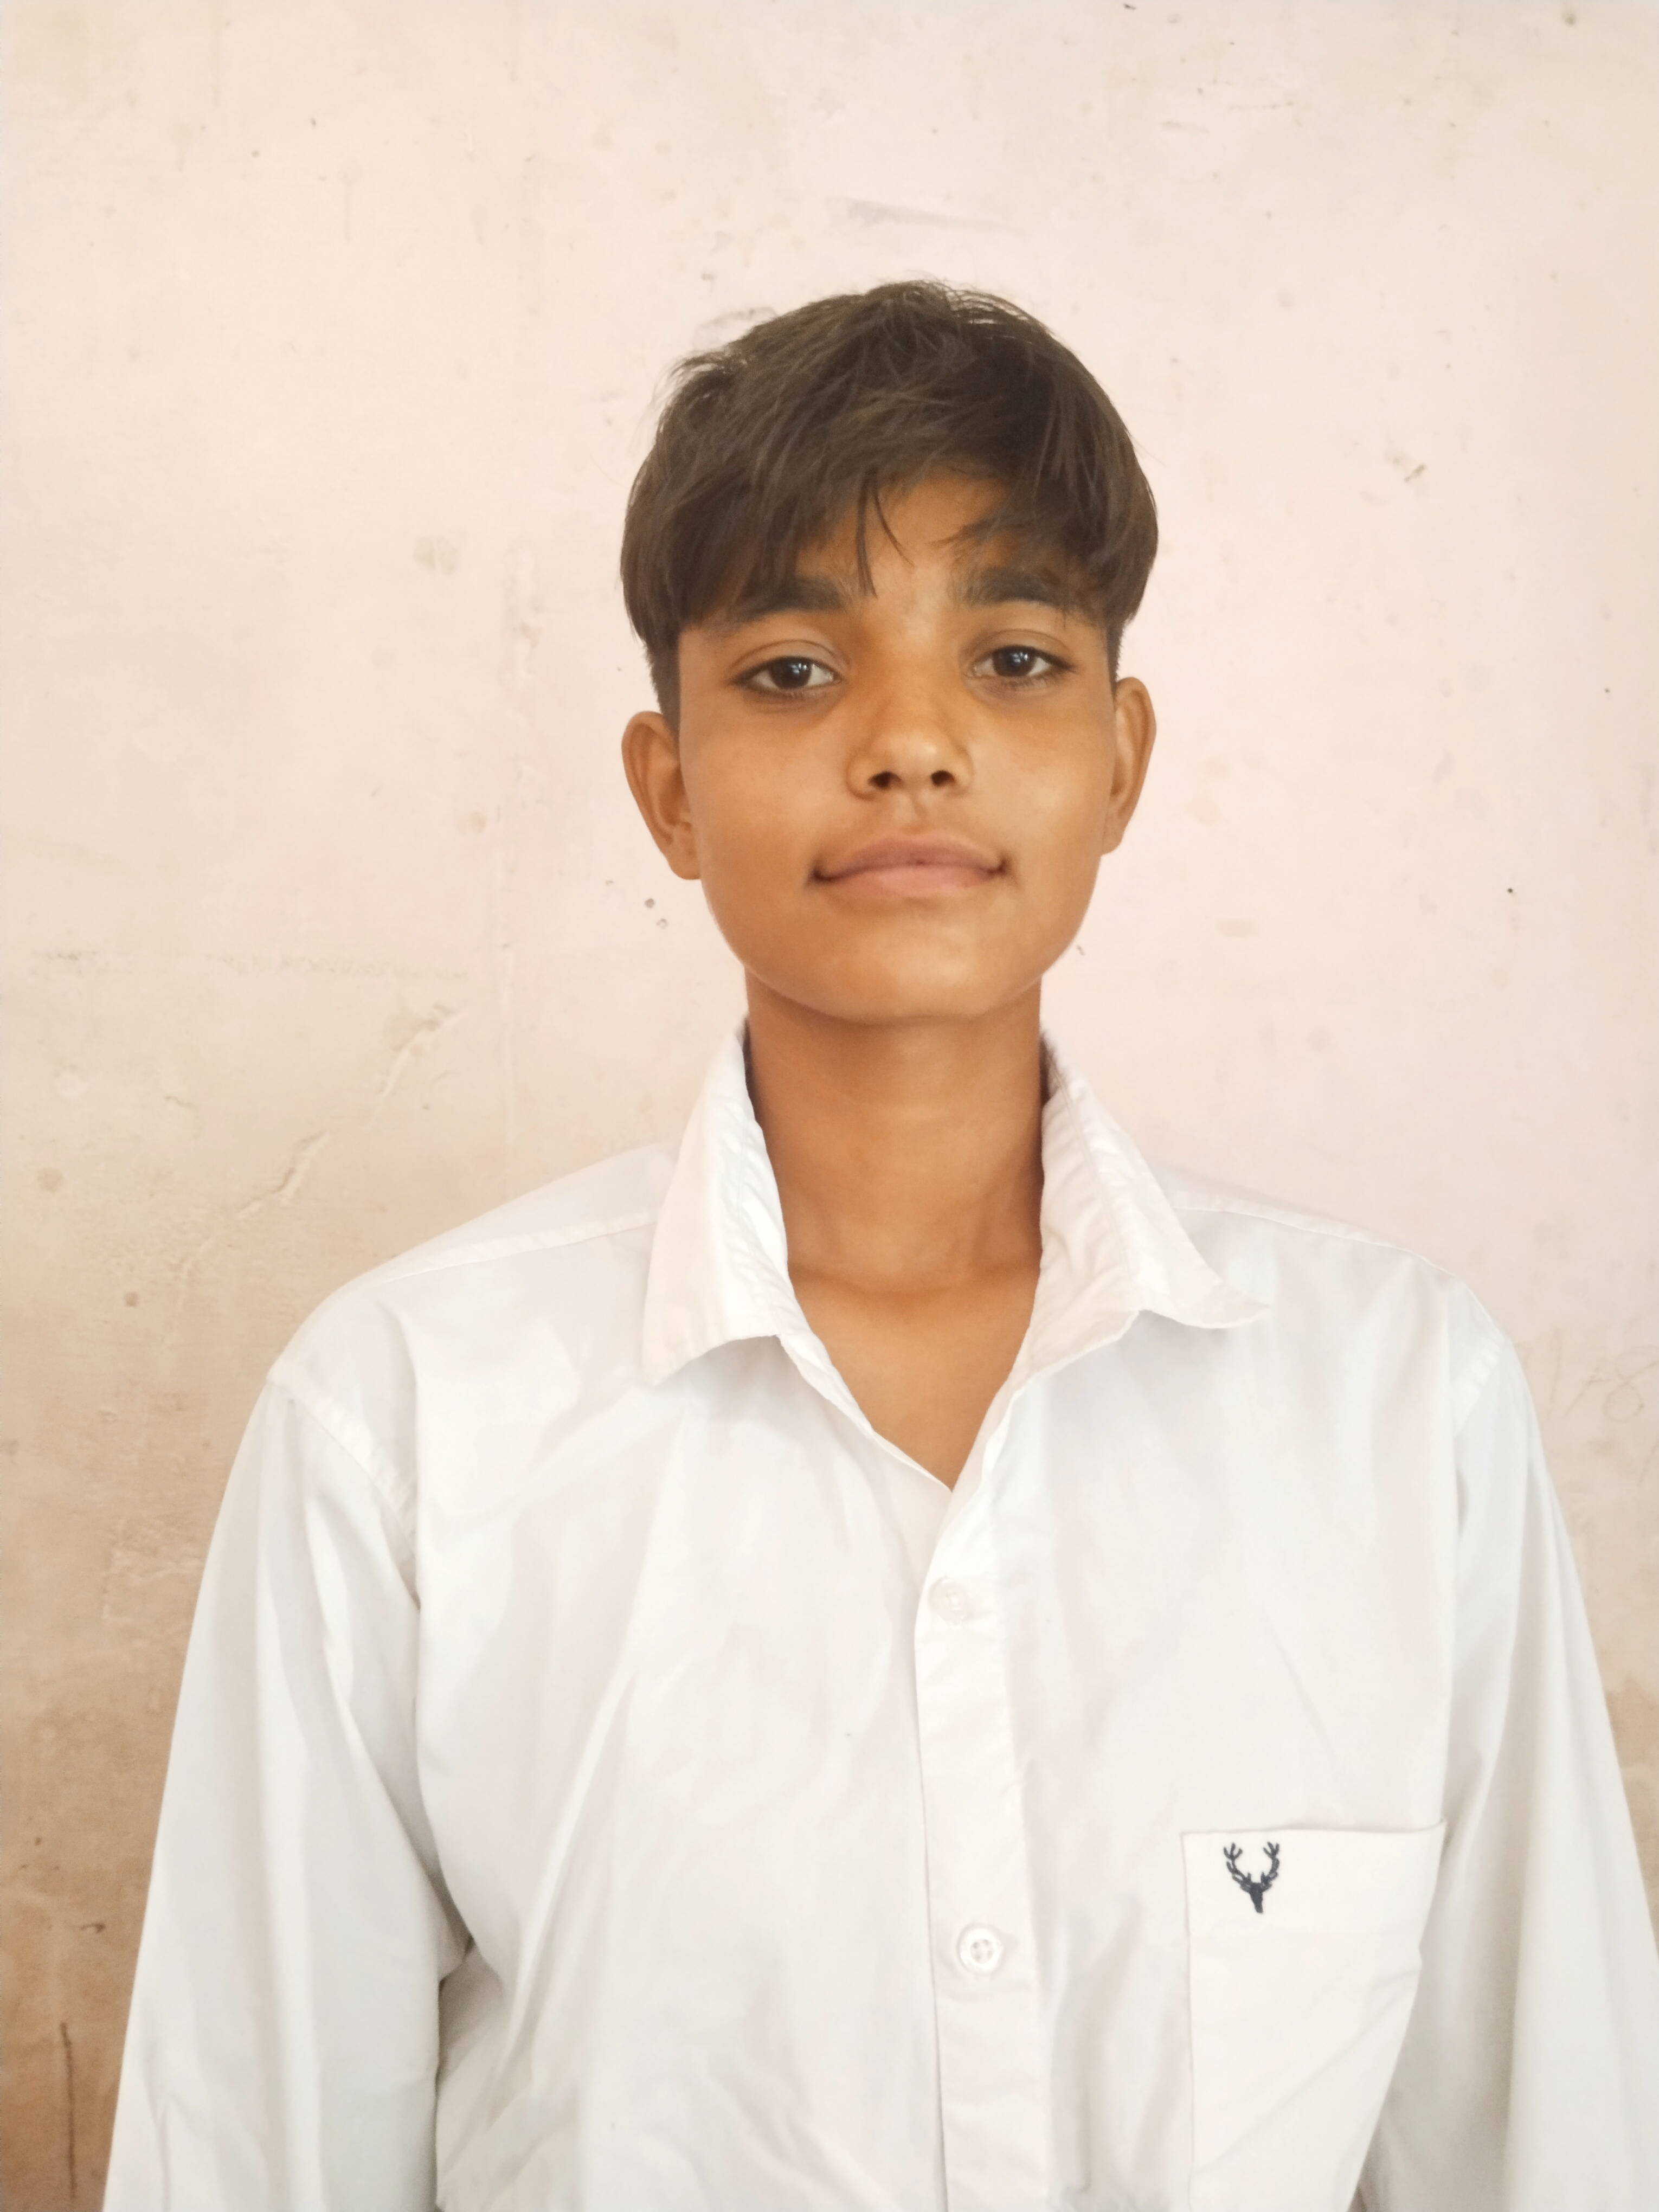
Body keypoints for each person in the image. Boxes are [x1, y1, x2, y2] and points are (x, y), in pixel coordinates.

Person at [106, 281, 1659, 2212]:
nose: (910, 742)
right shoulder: (406, 1419)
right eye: (789, 671)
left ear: (1121, 759)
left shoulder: (1397, 1405)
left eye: (1011, 658)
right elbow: (253, 2158)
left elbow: (1544, 2146)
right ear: (667, 788)